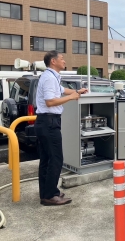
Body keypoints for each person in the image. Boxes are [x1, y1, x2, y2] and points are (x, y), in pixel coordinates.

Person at [35, 50, 87, 206]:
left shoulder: (51, 77)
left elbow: (62, 90)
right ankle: (50, 195)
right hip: (49, 123)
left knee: (46, 159)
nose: (64, 61)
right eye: (62, 59)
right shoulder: (50, 78)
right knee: (56, 159)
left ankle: (47, 192)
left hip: (45, 122)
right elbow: (50, 102)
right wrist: (71, 98)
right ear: (53, 61)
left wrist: (77, 92)